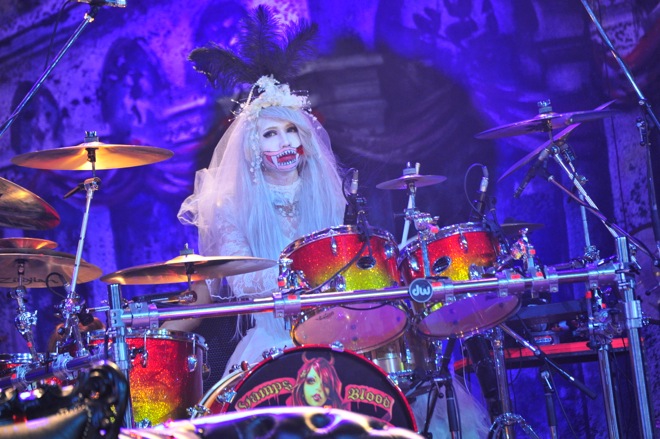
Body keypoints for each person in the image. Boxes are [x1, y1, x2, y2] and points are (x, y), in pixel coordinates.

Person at [169, 6, 490, 438]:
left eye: (291, 131)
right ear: (252, 147)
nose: (284, 142)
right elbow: (241, 280)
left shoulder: (329, 190)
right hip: (274, 339)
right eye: (270, 134)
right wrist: (303, 285)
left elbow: (350, 261)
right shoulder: (229, 203)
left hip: (341, 330)